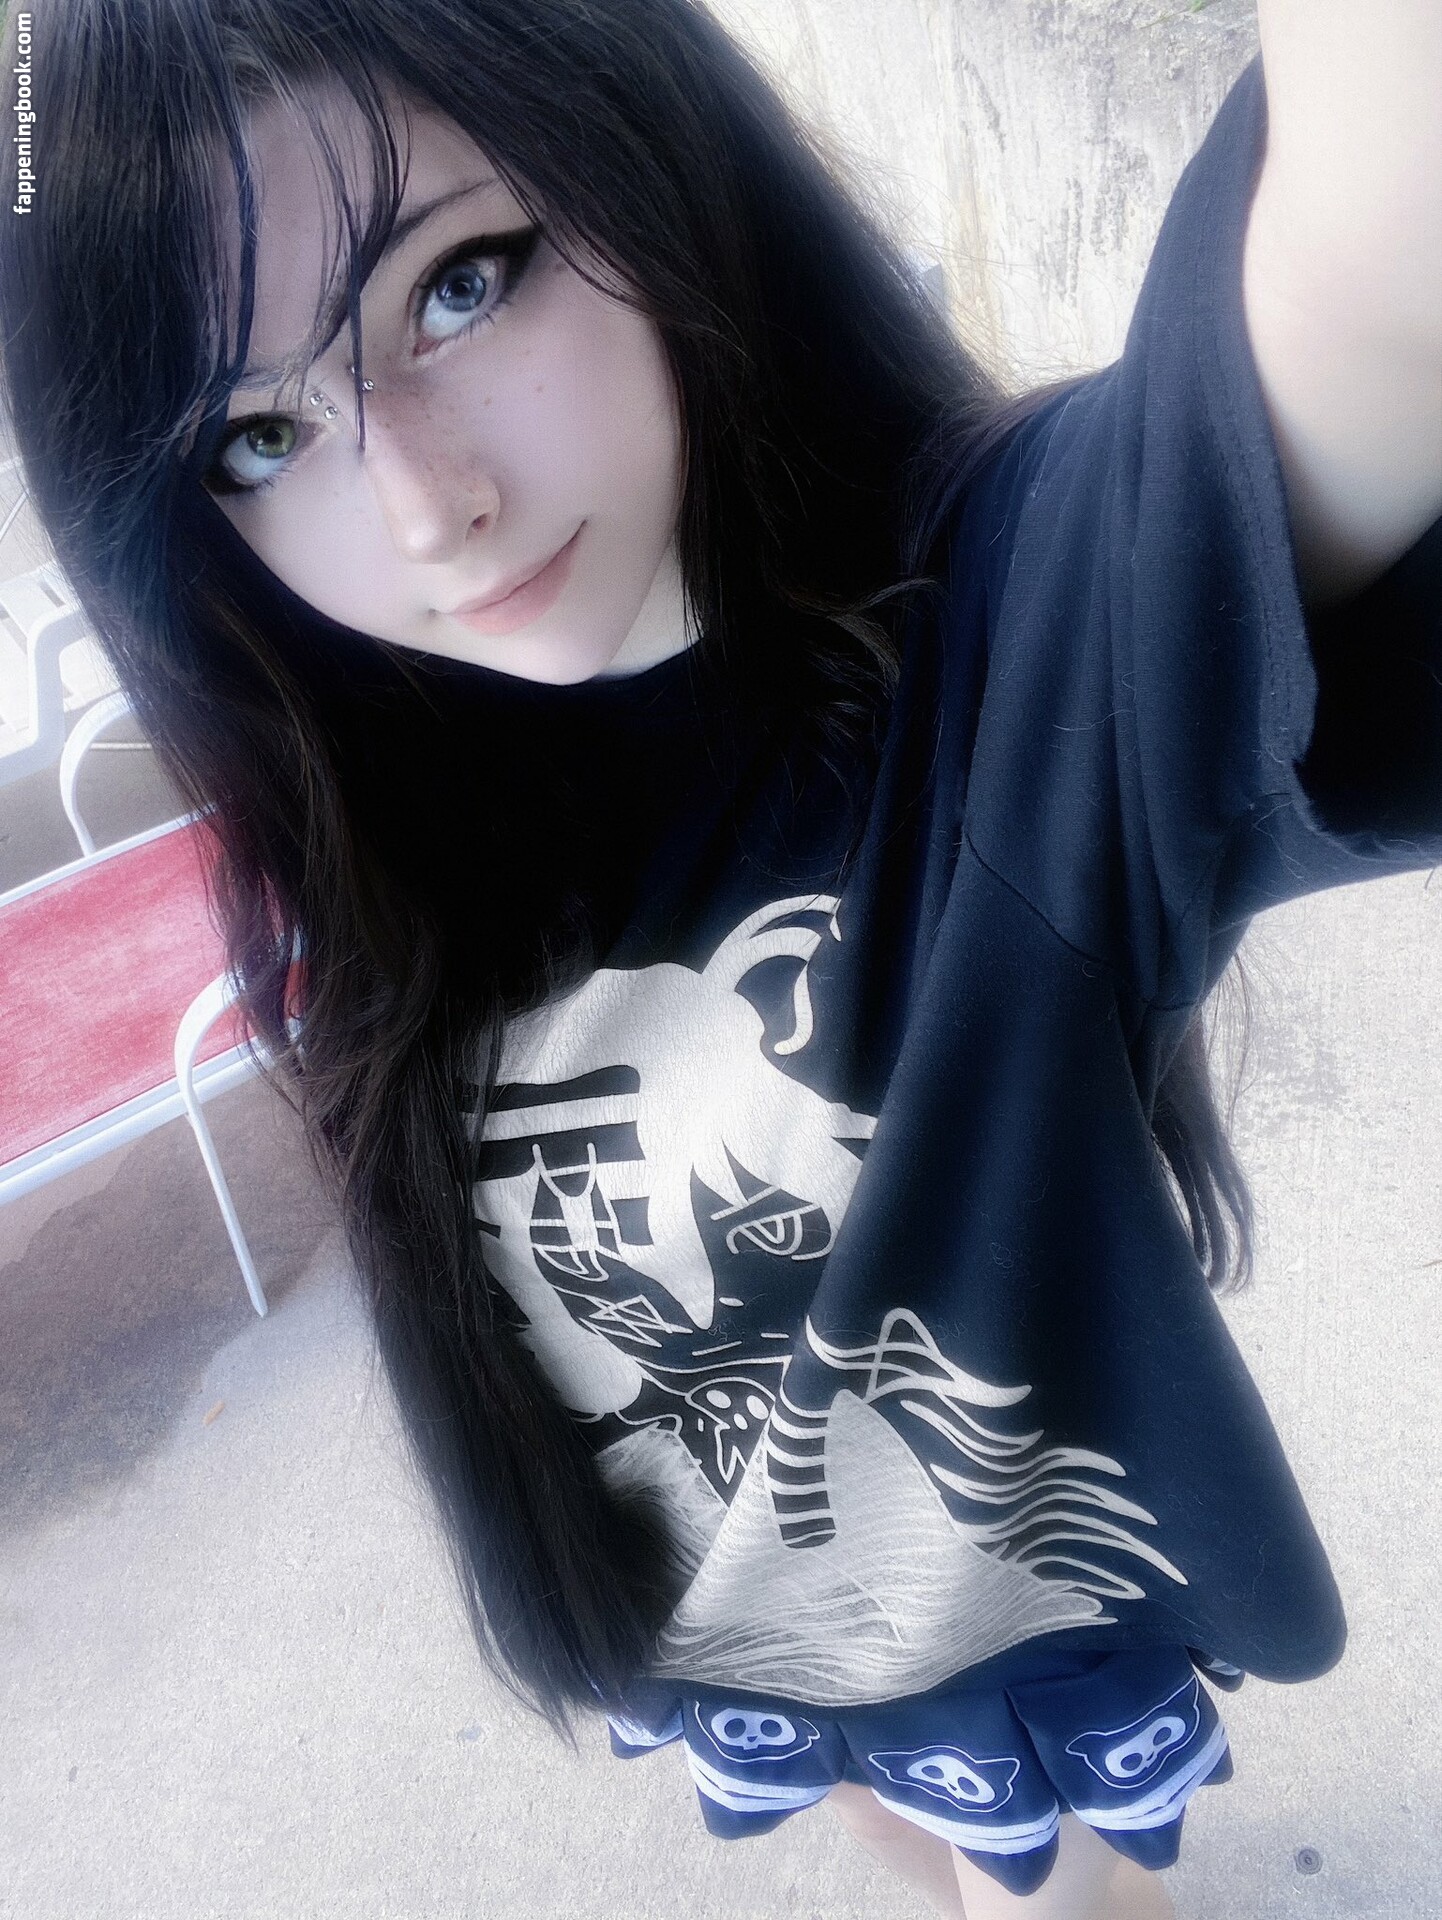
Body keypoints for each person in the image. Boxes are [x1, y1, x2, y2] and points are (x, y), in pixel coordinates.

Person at [2, 2, 1437, 1914]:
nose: (426, 514)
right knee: (907, 1845)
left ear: (645, 154)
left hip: (993, 1601)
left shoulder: (1004, 649)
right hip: (711, 1612)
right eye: (257, 435)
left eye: (458, 286)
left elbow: (1386, 262)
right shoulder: (380, 816)